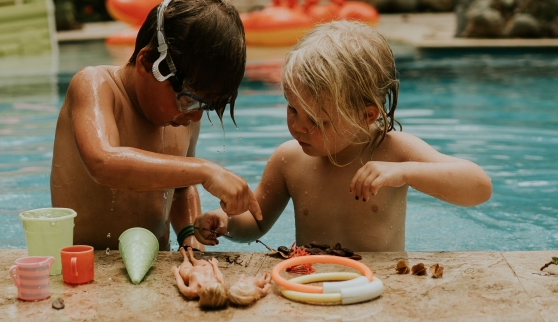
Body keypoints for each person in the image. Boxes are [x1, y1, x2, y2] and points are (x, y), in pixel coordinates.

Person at [194, 20, 492, 252]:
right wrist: (227, 223)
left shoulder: (394, 153)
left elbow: (479, 187)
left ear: (367, 116)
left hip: (376, 283)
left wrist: (405, 173)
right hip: (309, 282)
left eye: (318, 121)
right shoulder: (289, 160)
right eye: (292, 109)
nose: (298, 127)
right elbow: (256, 224)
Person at [51, 0, 261, 252]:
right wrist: (207, 170)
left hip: (153, 263)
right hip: (84, 265)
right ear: (148, 62)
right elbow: (103, 163)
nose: (195, 117)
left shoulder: (182, 117)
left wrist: (190, 237)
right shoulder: (96, 86)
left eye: (205, 106)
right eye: (189, 101)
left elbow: (181, 189)